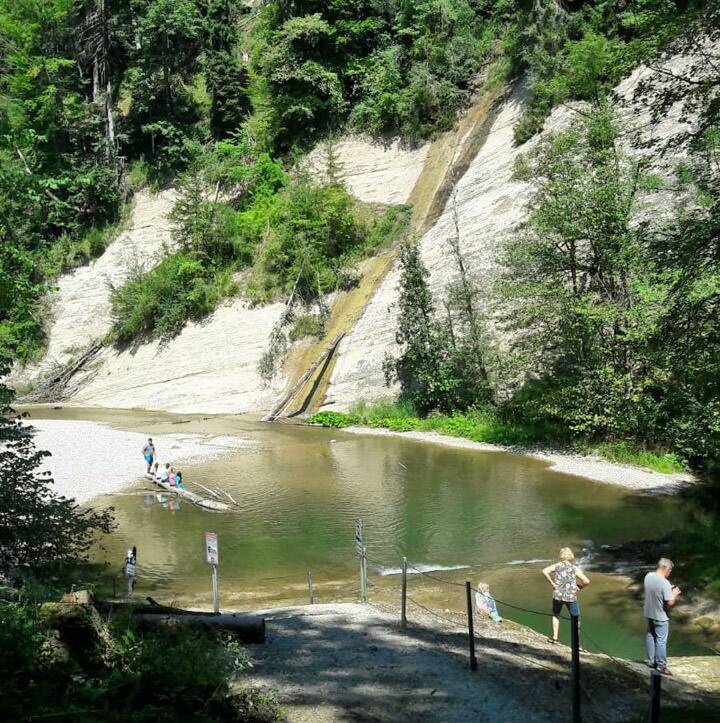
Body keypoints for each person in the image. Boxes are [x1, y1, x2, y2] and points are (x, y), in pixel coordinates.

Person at [542, 547, 590, 643]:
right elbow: (586, 581)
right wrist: (579, 587)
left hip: (558, 595)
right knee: (576, 619)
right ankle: (576, 642)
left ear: (561, 556)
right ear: (571, 556)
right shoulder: (574, 568)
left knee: (556, 615)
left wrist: (552, 583)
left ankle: (555, 638)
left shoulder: (557, 566)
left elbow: (545, 571)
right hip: (571, 597)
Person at [644, 557, 681, 675]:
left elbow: (654, 590)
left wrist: (667, 590)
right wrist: (674, 593)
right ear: (665, 568)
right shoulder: (665, 583)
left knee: (650, 635)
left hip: (649, 612)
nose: (670, 573)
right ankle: (661, 665)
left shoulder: (648, 576)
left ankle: (651, 660)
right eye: (670, 570)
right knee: (661, 640)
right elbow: (670, 602)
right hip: (660, 616)